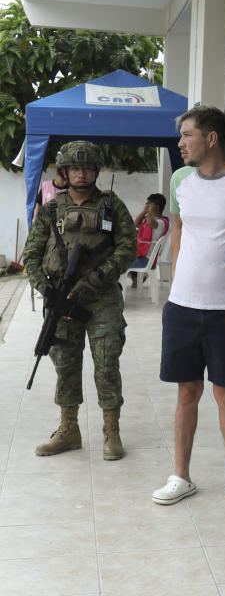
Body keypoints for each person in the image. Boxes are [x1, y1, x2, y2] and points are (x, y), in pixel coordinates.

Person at [152, 105, 225, 507]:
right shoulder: (181, 179)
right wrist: (175, 285)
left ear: (211, 138)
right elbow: (179, 228)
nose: (180, 144)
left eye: (187, 136)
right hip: (183, 306)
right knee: (186, 392)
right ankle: (180, 475)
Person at [22, 140, 136, 460]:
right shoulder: (52, 209)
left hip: (101, 299)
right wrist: (45, 289)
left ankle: (111, 432)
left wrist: (96, 280)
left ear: (96, 171)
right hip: (61, 298)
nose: (82, 174)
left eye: (87, 168)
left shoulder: (112, 206)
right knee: (66, 365)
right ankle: (68, 429)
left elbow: (128, 248)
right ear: (64, 171)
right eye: (75, 168)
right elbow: (31, 254)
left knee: (106, 363)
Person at [131, 193, 169, 269]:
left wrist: (150, 212)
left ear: (157, 206)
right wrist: (144, 211)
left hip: (147, 259)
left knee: (119, 264)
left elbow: (151, 223)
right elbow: (135, 225)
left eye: (150, 203)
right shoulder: (147, 219)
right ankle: (135, 280)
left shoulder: (162, 222)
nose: (147, 205)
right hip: (139, 255)